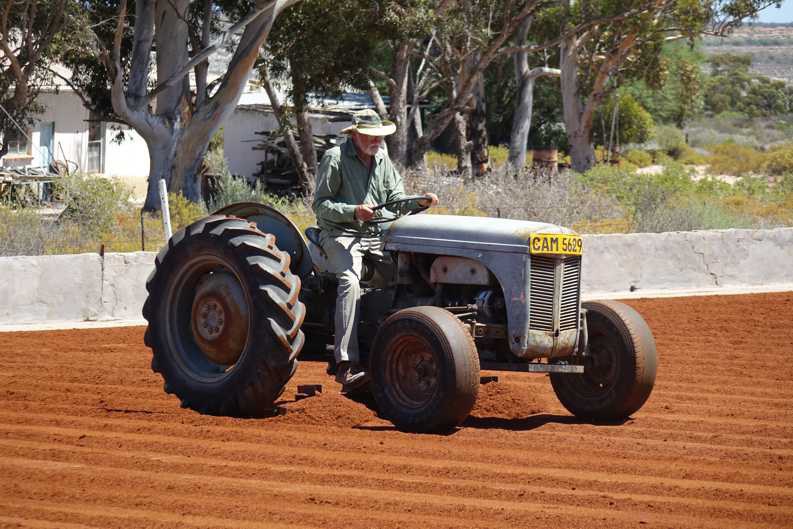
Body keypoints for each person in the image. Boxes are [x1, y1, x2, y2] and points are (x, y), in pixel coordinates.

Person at [312, 109, 439, 390]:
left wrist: (419, 203)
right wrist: (354, 212)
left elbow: (395, 202)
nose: (377, 141)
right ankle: (346, 364)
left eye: (379, 136)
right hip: (340, 234)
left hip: (377, 236)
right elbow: (321, 207)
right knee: (350, 282)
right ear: (355, 134)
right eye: (370, 136)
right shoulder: (335, 158)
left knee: (410, 279)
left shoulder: (382, 159)